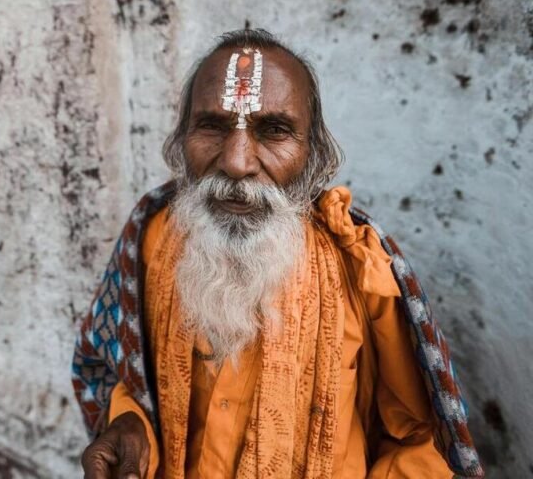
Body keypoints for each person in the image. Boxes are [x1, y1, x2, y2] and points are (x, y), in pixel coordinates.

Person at [72, 29, 483, 478]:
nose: (237, 161)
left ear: (315, 156)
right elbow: (118, 371)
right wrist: (129, 425)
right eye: (212, 125)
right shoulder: (149, 240)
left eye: (274, 130)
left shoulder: (360, 268)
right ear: (181, 142)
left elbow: (420, 439)